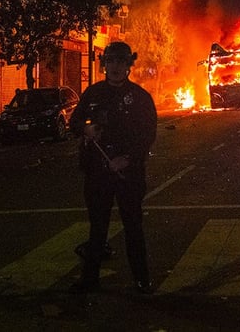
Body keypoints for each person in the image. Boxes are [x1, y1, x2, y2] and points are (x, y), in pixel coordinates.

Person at [70, 42, 157, 294]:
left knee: (133, 226)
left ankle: (142, 280)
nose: (116, 67)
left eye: (121, 62)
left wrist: (127, 159)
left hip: (128, 173)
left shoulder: (140, 98)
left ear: (129, 65)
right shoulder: (93, 93)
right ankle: (90, 279)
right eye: (111, 61)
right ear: (104, 64)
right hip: (97, 171)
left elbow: (147, 134)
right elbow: (75, 121)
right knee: (97, 227)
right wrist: (85, 129)